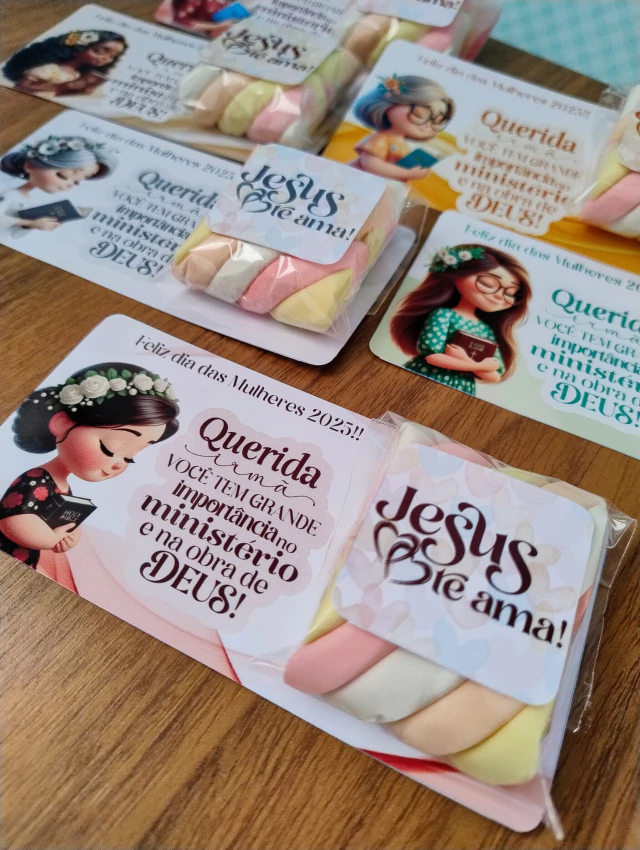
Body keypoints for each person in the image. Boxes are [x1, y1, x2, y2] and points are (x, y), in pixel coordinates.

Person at [0, 364, 179, 591]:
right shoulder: (35, 479)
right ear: (62, 423)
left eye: (130, 457)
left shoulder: (61, 484)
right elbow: (13, 521)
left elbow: (61, 518)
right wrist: (51, 539)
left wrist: (72, 532)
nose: (119, 463)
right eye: (109, 447)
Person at [390, 245, 531, 395]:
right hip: (426, 377)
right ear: (457, 275)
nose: (499, 296)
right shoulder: (444, 315)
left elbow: (494, 375)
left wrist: (465, 360)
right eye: (488, 284)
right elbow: (432, 357)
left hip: (461, 390)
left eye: (510, 293)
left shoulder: (485, 330)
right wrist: (479, 366)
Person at [0, 134, 117, 238]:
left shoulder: (27, 199)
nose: (69, 185)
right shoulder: (11, 194)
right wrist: (31, 223)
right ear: (30, 166)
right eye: (63, 176)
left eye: (76, 182)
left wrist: (35, 225)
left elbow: (12, 234)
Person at [351, 74, 454, 182]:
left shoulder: (402, 144)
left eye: (438, 121)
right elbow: (370, 164)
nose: (427, 125)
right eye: (420, 114)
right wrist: (406, 173)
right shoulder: (381, 139)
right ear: (391, 102)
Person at [2, 29, 127, 96]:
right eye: (99, 51)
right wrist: (63, 87)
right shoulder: (51, 68)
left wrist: (78, 90)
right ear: (79, 47)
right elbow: (21, 86)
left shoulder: (77, 74)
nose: (105, 59)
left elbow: (57, 94)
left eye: (112, 56)